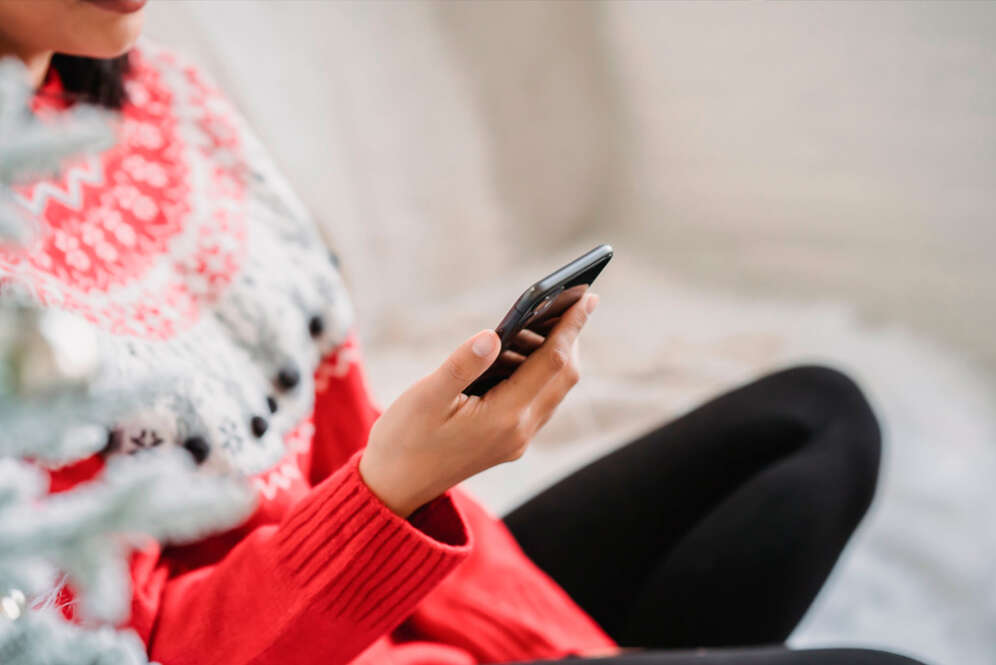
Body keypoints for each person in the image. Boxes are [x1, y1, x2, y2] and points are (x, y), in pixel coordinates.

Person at [0, 2, 926, 665]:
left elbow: (333, 433)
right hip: (279, 629)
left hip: (383, 581)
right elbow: (127, 645)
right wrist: (392, 488)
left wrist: (545, 637)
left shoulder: (169, 97)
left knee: (818, 421)